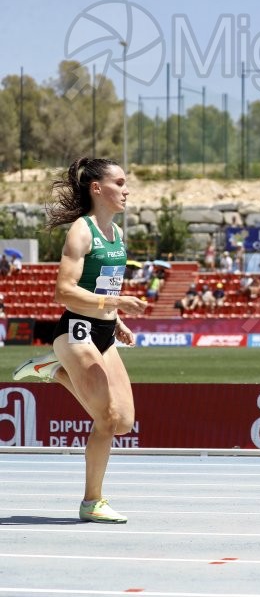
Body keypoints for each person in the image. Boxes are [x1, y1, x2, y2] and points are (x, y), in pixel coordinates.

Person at [12, 156, 149, 522]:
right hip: (76, 331)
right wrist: (116, 301)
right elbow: (64, 292)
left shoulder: (117, 235)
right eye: (119, 183)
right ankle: (92, 501)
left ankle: (52, 372)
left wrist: (115, 318)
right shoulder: (81, 231)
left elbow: (103, 285)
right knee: (105, 419)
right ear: (97, 188)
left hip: (103, 333)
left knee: (123, 423)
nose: (126, 189)